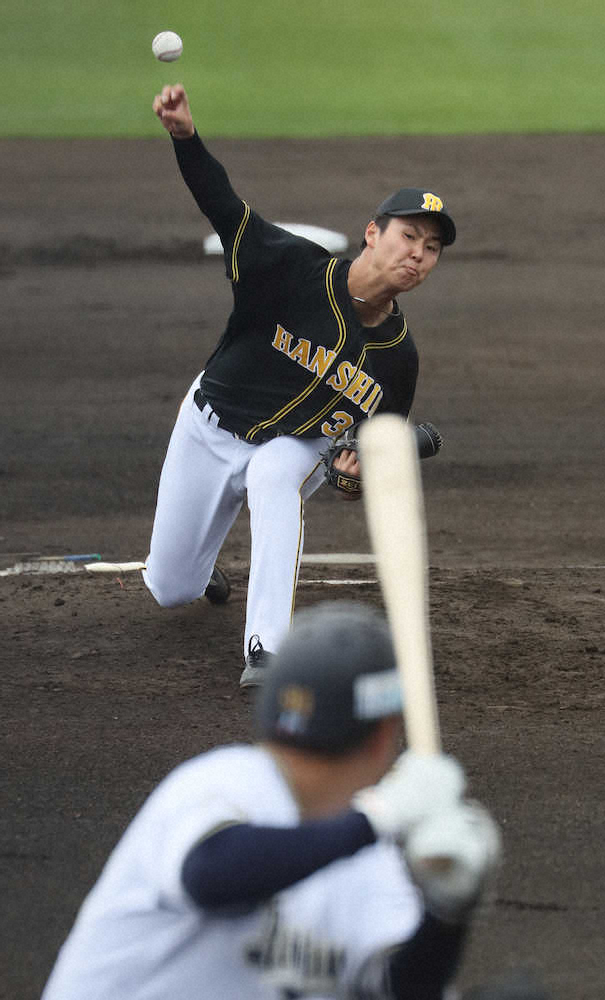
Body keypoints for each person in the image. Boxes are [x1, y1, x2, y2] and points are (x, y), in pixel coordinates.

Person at [144, 83, 457, 688]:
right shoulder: (290, 266)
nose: (418, 254)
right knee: (168, 588)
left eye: (432, 247)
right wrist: (186, 137)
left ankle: (266, 650)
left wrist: (354, 475)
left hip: (293, 446)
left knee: (271, 471)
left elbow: (360, 454)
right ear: (372, 233)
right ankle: (198, 567)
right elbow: (223, 204)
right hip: (209, 422)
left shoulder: (398, 359)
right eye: (409, 236)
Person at [41, 601, 501, 1000]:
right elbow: (210, 873)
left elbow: (397, 987)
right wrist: (383, 815)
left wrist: (445, 915)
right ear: (385, 735)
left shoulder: (367, 854)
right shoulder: (226, 785)